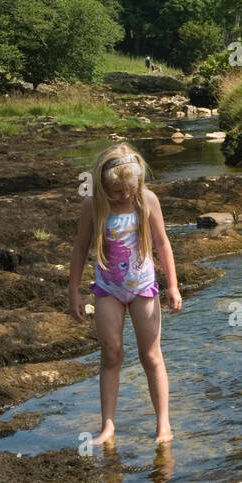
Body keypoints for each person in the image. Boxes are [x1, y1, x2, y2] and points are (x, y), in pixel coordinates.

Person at [69, 144, 182, 444]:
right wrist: (74, 292)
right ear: (103, 184)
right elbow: (80, 248)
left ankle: (163, 425)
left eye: (129, 189)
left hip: (143, 287)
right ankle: (108, 427)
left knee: (151, 356)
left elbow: (162, 244)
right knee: (111, 354)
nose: (123, 196)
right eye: (116, 191)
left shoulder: (147, 201)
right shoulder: (93, 206)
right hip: (108, 289)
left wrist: (172, 285)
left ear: (139, 183)